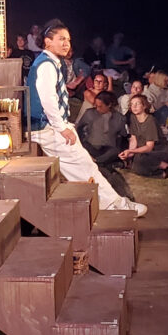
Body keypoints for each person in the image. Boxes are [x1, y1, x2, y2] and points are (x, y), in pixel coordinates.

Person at [28, 19, 146, 215]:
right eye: (61, 39)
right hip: (46, 128)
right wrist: (62, 127)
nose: (66, 43)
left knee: (85, 165)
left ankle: (110, 202)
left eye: (68, 39)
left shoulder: (52, 63)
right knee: (83, 165)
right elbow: (47, 99)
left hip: (51, 126)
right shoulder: (46, 65)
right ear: (47, 42)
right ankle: (113, 205)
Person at [76, 90, 134, 199]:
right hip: (91, 147)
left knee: (113, 151)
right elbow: (78, 131)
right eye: (96, 106)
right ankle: (103, 167)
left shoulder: (119, 118)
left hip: (108, 151)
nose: (97, 109)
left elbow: (124, 137)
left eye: (100, 106)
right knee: (105, 168)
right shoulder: (89, 113)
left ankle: (99, 164)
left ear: (109, 105)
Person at [120, 94, 168, 177]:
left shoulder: (150, 120)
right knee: (135, 164)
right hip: (144, 151)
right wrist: (129, 153)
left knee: (140, 161)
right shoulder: (133, 117)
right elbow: (134, 139)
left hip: (159, 150)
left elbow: (149, 147)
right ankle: (163, 172)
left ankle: (166, 167)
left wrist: (131, 151)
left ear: (144, 106)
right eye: (132, 104)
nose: (134, 106)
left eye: (137, 104)